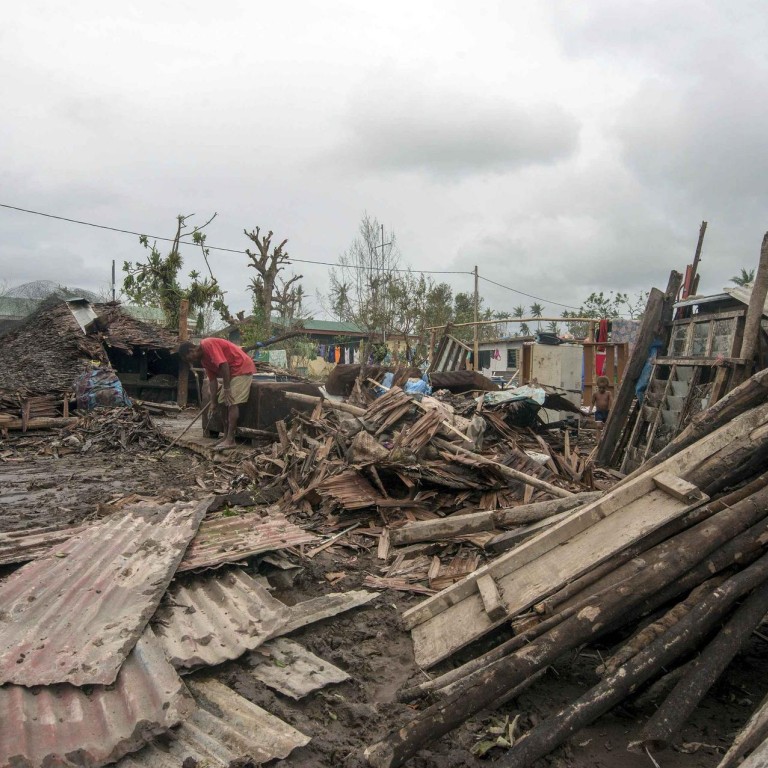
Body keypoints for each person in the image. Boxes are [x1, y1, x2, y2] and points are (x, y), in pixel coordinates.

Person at [178, 338, 255, 451]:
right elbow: (213, 381)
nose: (190, 361)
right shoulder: (204, 361)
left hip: (241, 368)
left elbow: (224, 365)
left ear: (191, 350)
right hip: (231, 373)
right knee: (221, 402)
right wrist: (213, 402)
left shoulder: (207, 344)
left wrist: (227, 388)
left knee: (231, 401)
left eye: (188, 358)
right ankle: (225, 437)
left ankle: (231, 439)